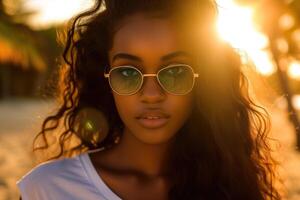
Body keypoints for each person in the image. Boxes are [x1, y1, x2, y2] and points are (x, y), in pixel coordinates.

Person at [16, 0, 281, 199]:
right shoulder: (46, 189)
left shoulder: (231, 185)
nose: (152, 95)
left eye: (175, 72)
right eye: (128, 73)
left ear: (203, 80)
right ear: (105, 78)